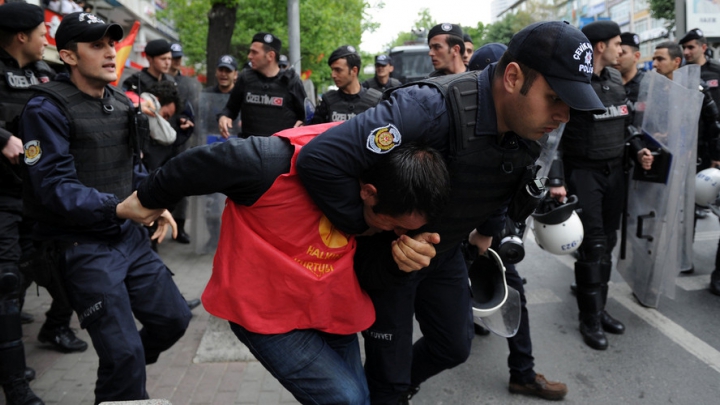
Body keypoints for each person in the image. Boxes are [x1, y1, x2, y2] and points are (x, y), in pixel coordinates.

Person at [296, 21, 606, 404]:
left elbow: (502, 186)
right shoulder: (427, 109)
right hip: (391, 259)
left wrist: (485, 237)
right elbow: (320, 160)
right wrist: (369, 224)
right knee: (388, 382)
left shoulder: (528, 129)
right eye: (556, 98)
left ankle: (389, 386)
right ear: (512, 77)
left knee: (454, 346)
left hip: (446, 254)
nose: (564, 115)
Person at [118, 122, 451, 404]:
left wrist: (399, 261)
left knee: (359, 398)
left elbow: (371, 266)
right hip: (269, 315)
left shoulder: (391, 175)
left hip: (331, 309)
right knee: (346, 399)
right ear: (368, 192)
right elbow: (197, 163)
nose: (392, 233)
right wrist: (148, 198)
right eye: (392, 224)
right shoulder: (272, 163)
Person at [18, 12, 192, 404]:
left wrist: (153, 201)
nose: (111, 52)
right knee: (124, 354)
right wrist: (121, 208)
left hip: (128, 238)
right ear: (68, 56)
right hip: (81, 247)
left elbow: (133, 167)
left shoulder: (119, 102)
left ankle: (121, 378)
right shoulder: (45, 109)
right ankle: (123, 378)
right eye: (96, 45)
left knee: (175, 319)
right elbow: (53, 188)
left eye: (111, 43)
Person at [467, 42, 568, 401]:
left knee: (512, 291)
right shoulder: (458, 119)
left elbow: (536, 166)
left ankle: (522, 372)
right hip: (463, 229)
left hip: (499, 225)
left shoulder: (525, 127)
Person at [547, 20, 653, 351]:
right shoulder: (574, 82)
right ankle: (588, 319)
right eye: (617, 43)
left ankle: (600, 308)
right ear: (599, 46)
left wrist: (639, 150)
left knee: (607, 242)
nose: (622, 49)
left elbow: (626, 124)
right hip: (584, 173)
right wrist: (556, 179)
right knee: (592, 246)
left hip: (614, 172)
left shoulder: (614, 78)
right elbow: (555, 136)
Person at [217, 32, 306, 139]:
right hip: (250, 148)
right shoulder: (245, 78)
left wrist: (303, 124)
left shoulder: (291, 81)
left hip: (280, 150)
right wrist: (224, 117)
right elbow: (230, 109)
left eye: (254, 52)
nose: (249, 56)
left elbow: (307, 116)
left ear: (270, 56)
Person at [311, 46, 382, 124]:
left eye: (338, 70)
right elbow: (314, 131)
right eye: (332, 70)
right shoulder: (327, 101)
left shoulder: (376, 101)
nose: (333, 75)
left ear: (354, 71)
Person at [614, 32, 644, 115]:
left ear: (636, 56)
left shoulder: (647, 84)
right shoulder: (608, 84)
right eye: (615, 52)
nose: (616, 57)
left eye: (622, 53)